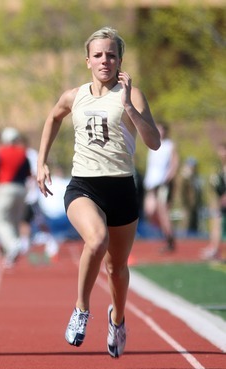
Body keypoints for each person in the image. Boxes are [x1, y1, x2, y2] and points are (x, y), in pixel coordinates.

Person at [36, 27, 160, 358]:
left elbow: (154, 142)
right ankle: (81, 309)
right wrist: (41, 162)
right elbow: (53, 117)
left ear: (120, 60)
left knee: (116, 269)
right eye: (98, 54)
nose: (105, 60)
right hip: (84, 185)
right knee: (96, 239)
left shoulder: (131, 94)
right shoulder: (73, 96)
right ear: (87, 59)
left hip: (120, 187)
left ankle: (117, 319)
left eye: (111, 54)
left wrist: (130, 109)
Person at [0, 127, 30, 268]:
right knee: (14, 221)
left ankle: (13, 245)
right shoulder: (24, 153)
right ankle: (11, 253)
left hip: (5, 188)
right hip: (21, 189)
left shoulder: (0, 152)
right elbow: (28, 173)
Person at [19, 135, 59, 259]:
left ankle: (50, 240)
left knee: (39, 219)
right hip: (23, 193)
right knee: (24, 219)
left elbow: (36, 172)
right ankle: (25, 242)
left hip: (33, 194)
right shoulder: (19, 155)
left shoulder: (31, 155)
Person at [143, 123, 179, 252]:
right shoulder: (152, 145)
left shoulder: (169, 145)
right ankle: (165, 232)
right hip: (151, 184)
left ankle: (169, 240)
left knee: (163, 212)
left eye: (160, 129)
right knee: (150, 211)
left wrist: (167, 179)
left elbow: (175, 164)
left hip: (163, 183)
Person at [201, 142, 226, 261]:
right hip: (222, 204)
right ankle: (215, 248)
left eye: (223, 150)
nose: (220, 154)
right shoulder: (220, 168)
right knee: (216, 222)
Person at [180, 157, 203, 235]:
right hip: (186, 206)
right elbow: (181, 193)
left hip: (195, 206)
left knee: (195, 226)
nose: (193, 168)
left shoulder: (196, 177)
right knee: (186, 225)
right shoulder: (184, 178)